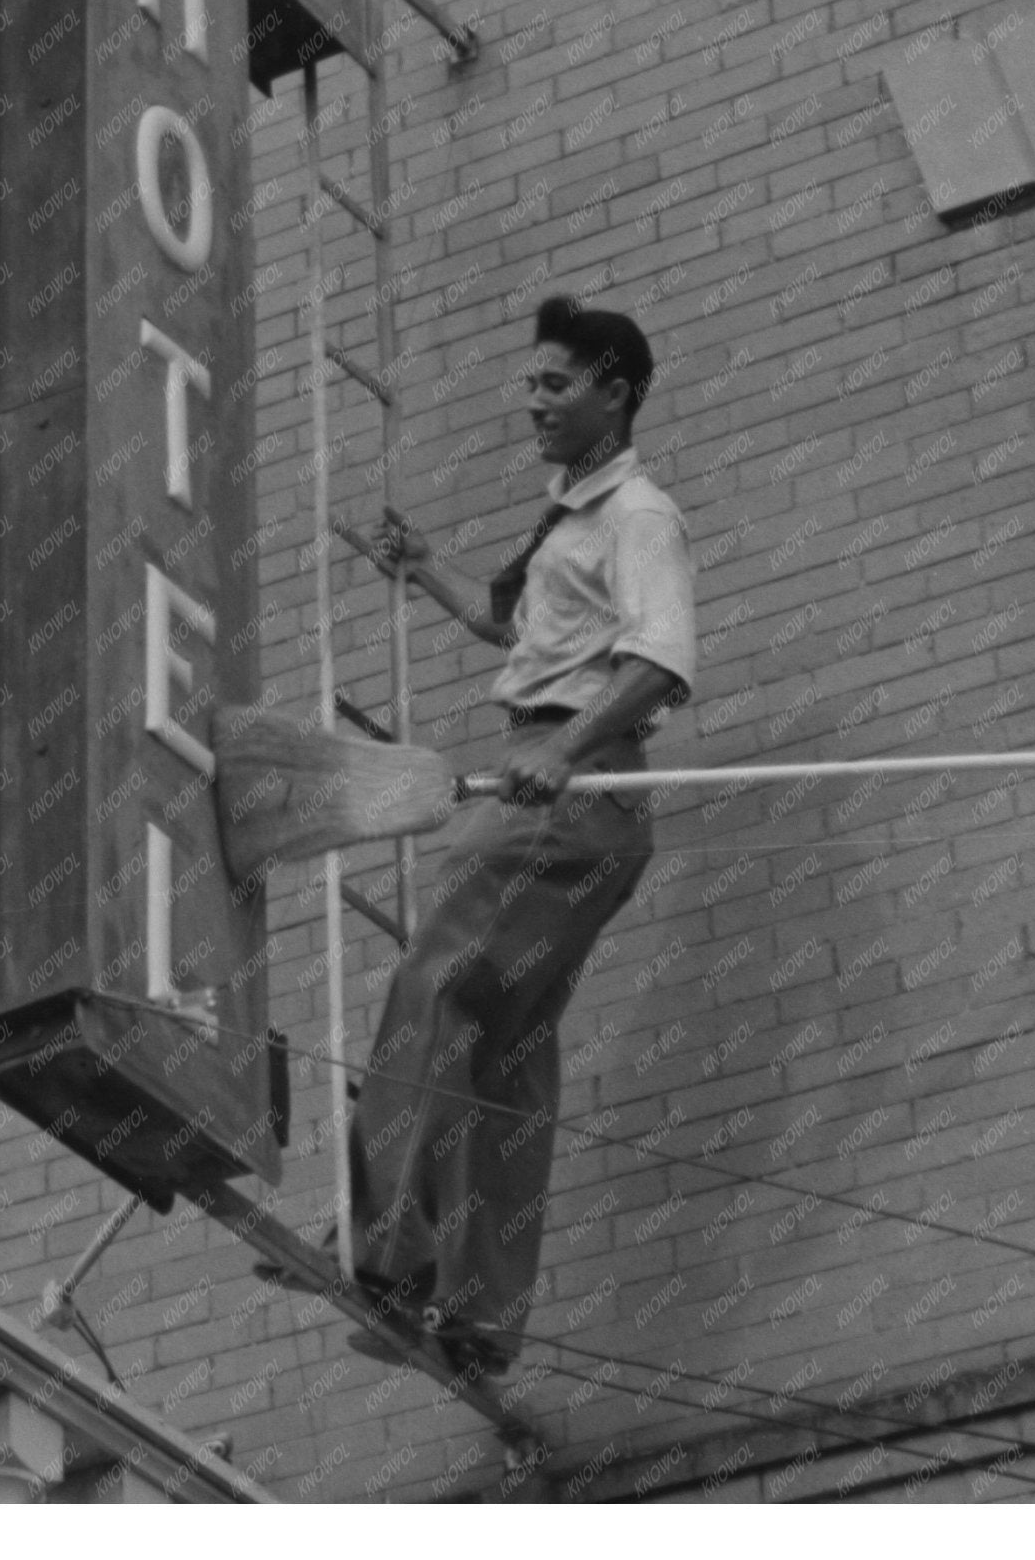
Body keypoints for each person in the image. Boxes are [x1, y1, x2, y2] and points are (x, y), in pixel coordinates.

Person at [345, 292, 696, 1380]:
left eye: (554, 382)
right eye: (528, 381)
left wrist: (568, 748)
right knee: (502, 1050)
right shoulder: (571, 519)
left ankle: (392, 1252)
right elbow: (517, 629)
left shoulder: (636, 515)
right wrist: (426, 567)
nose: (531, 400)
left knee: (435, 983)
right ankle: (478, 1311)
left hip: (562, 790)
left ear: (613, 391)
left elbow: (660, 657)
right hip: (576, 792)